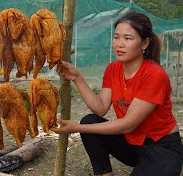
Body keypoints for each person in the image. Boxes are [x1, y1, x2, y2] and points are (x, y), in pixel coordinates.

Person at [51, 11, 183, 176]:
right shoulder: (113, 69)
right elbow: (100, 109)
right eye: (116, 37)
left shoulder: (155, 75)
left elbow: (129, 124)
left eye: (127, 39)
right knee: (90, 122)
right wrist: (77, 78)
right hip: (132, 143)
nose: (119, 44)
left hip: (162, 148)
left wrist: (76, 128)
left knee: (86, 126)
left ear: (144, 43)